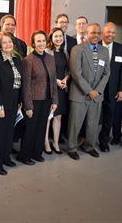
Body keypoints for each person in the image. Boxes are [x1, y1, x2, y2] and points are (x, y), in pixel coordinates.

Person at [67, 23, 110, 160]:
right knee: (75, 123)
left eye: (98, 33)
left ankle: (89, 146)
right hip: (80, 94)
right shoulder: (77, 49)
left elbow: (107, 73)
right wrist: (89, 91)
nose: (95, 35)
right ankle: (71, 147)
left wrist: (96, 91)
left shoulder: (104, 51)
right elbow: (76, 73)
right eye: (92, 33)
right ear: (87, 33)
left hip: (96, 96)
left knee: (92, 123)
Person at [17, 30, 58, 165]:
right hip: (33, 100)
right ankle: (24, 156)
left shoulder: (50, 58)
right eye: (38, 41)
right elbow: (26, 84)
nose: (41, 43)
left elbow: (53, 81)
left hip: (47, 99)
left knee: (41, 128)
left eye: (43, 40)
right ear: (33, 43)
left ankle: (37, 153)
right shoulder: (29, 60)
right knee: (30, 129)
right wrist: (28, 106)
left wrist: (54, 100)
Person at [0, 32, 23, 175]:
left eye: (10, 41)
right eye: (4, 42)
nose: (8, 44)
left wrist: (20, 100)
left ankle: (5, 157)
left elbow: (20, 81)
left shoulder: (17, 59)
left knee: (9, 132)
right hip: (0, 103)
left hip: (14, 101)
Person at [98, 22, 122, 153]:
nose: (111, 35)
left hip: (113, 90)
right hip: (96, 89)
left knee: (109, 117)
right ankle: (86, 138)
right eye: (108, 32)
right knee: (92, 116)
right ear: (102, 33)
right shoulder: (95, 46)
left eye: (113, 32)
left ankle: (103, 141)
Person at [44, 27, 69, 155]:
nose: (58, 38)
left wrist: (65, 79)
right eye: (56, 36)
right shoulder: (47, 52)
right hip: (50, 88)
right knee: (48, 117)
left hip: (62, 89)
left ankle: (55, 142)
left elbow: (68, 70)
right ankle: (46, 142)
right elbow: (45, 72)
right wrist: (57, 81)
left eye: (60, 36)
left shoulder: (65, 53)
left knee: (58, 117)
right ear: (51, 38)